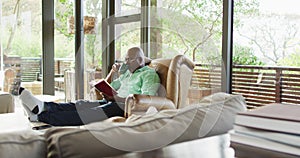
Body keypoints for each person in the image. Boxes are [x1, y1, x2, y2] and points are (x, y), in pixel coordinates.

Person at [12, 47, 161, 126]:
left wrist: (116, 97)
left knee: (92, 113)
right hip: (114, 101)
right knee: (82, 104)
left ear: (141, 60)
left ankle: (41, 116)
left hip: (125, 108)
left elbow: (145, 100)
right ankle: (43, 106)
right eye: (125, 59)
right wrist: (111, 75)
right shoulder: (128, 73)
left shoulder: (149, 74)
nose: (126, 62)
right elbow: (110, 86)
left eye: (129, 60)